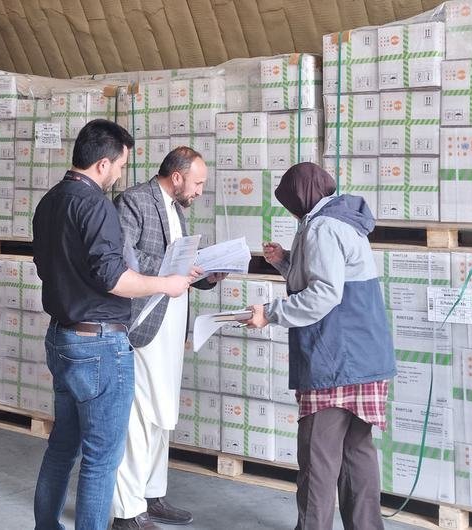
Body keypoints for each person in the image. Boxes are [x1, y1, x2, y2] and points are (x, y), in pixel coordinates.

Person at [32, 119, 196, 530]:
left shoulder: (50, 201)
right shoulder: (96, 205)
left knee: (61, 448)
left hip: (62, 337)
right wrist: (167, 284)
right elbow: (115, 278)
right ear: (103, 164)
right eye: (121, 165)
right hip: (100, 344)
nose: (121, 174)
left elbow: (44, 266)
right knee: (102, 458)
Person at [240, 162, 396, 530]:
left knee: (319, 458)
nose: (291, 211)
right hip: (365, 357)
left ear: (302, 196)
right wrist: (284, 262)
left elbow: (324, 294)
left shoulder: (321, 228)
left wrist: (270, 313)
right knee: (357, 452)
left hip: (334, 361)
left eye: (291, 203)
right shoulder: (343, 221)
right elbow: (327, 277)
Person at [110, 146, 226, 530]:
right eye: (197, 183)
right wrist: (170, 268)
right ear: (176, 177)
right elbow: (122, 258)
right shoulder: (135, 201)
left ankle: (151, 493)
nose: (199, 191)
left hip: (171, 328)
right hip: (144, 324)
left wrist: (207, 274)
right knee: (138, 417)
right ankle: (127, 511)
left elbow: (180, 273)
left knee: (162, 415)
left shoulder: (176, 210)